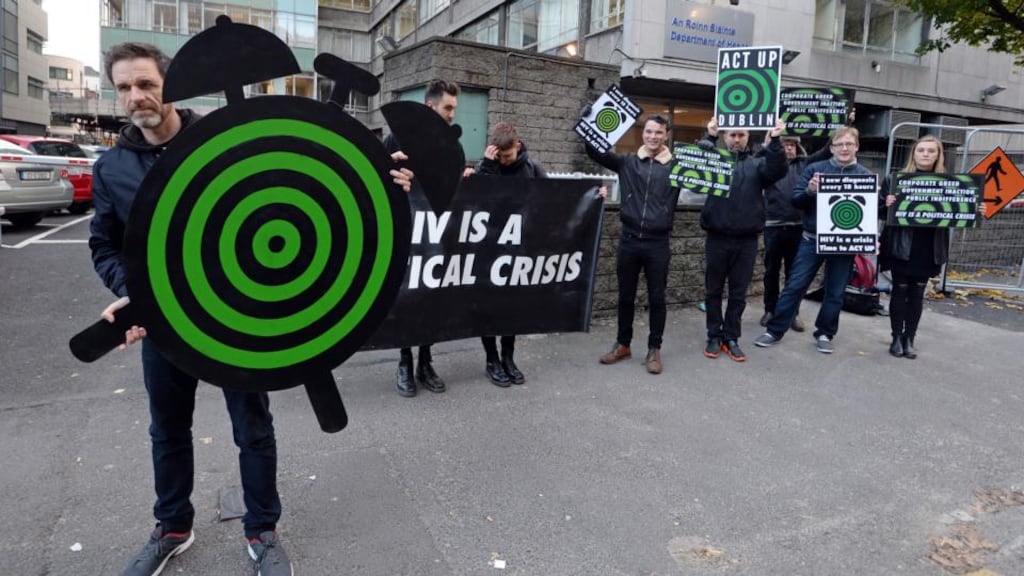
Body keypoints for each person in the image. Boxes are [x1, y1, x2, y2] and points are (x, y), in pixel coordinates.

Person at [90, 42, 411, 576]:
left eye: (145, 83)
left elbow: (305, 181)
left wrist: (383, 181)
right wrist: (134, 290)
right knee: (167, 429)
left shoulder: (222, 136)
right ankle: (172, 526)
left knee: (253, 427)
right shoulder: (112, 169)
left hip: (242, 320)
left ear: (167, 85)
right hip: (167, 326)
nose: (136, 96)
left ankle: (262, 529)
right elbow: (105, 245)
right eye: (124, 87)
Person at [753, 127, 875, 354]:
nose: (844, 149)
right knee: (795, 286)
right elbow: (796, 200)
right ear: (832, 148)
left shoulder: (866, 176)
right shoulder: (814, 169)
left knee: (836, 292)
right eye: (839, 144)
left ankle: (825, 333)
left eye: (849, 144)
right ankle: (775, 330)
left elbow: (869, 214)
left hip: (844, 244)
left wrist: (870, 238)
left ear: (857, 146)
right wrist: (809, 191)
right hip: (812, 240)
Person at [385, 79, 461, 398]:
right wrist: (390, 169)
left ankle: (425, 363)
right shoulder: (396, 138)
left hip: (436, 232)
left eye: (454, 109)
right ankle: (404, 362)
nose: (452, 115)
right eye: (448, 108)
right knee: (407, 295)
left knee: (432, 296)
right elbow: (378, 182)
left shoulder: (449, 146)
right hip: (405, 233)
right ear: (431, 107)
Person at [587, 115, 680, 374]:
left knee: (657, 298)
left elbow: (709, 172)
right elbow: (595, 151)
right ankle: (623, 345)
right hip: (629, 240)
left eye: (659, 132)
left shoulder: (677, 166)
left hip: (658, 242)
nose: (653, 136)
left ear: (666, 135)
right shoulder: (627, 162)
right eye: (649, 131)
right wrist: (591, 122)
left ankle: (654, 349)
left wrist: (709, 140)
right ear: (643, 133)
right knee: (626, 296)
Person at [698, 119, 787, 362]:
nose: (737, 139)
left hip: (747, 240)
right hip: (716, 237)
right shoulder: (714, 160)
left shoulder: (758, 164)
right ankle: (713, 335)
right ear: (725, 136)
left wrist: (776, 141)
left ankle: (731, 337)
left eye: (742, 135)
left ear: (748, 137)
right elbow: (692, 168)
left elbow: (778, 170)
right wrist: (709, 138)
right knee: (713, 291)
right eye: (732, 135)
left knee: (738, 294)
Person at [469, 121, 547, 386]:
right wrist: (487, 168)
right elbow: (475, 202)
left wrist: (594, 195)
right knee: (489, 308)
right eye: (499, 156)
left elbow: (555, 200)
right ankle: (492, 359)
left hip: (518, 251)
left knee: (512, 308)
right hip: (489, 250)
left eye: (507, 156)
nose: (503, 161)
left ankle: (508, 357)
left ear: (518, 145)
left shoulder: (532, 168)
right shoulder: (488, 166)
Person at [880, 135, 950, 359]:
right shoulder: (894, 179)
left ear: (938, 155)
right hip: (901, 243)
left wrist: (975, 210)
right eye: (921, 150)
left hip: (928, 245)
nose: (926, 154)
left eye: (931, 151)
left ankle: (909, 337)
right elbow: (879, 212)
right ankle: (896, 337)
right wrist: (886, 204)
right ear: (914, 153)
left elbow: (959, 212)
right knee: (899, 290)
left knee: (918, 292)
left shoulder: (949, 181)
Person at [759, 134, 834, 333]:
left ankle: (793, 313)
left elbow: (827, 150)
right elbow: (755, 159)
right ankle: (770, 310)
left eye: (792, 145)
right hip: (773, 226)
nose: (789, 149)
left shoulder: (806, 164)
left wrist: (845, 124)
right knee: (771, 271)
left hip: (798, 227)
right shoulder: (769, 165)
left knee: (795, 275)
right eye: (784, 145)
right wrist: (767, 145)